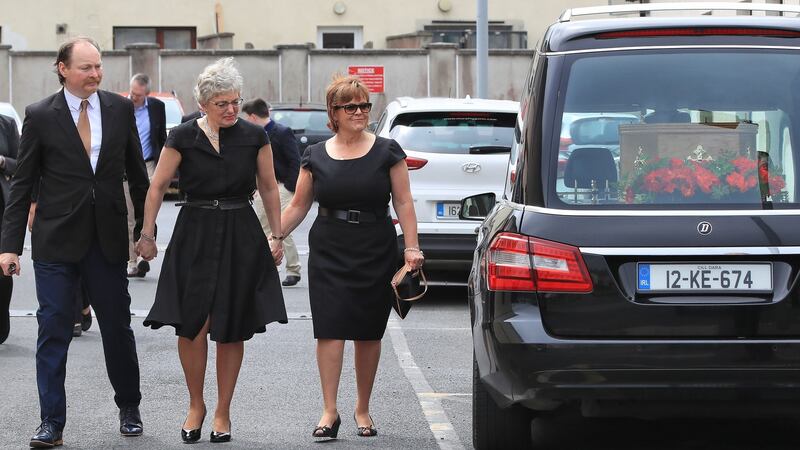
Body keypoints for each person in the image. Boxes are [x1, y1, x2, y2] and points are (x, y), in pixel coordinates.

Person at [0, 36, 148, 447]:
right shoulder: (40, 115)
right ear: (63, 68)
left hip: (107, 239)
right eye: (86, 68)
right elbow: (23, 182)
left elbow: (138, 176)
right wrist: (8, 245)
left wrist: (145, 234)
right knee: (53, 328)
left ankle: (129, 406)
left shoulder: (118, 109)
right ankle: (51, 422)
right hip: (55, 240)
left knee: (117, 327)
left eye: (98, 67)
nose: (96, 74)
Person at [138, 57, 288, 444]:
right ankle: (196, 404)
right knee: (193, 324)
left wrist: (277, 236)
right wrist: (147, 233)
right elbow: (157, 187)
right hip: (196, 231)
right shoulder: (182, 136)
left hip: (241, 230)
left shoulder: (255, 136)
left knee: (231, 324)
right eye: (222, 103)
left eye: (235, 101)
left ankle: (222, 411)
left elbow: (270, 188)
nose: (232, 109)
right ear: (203, 104)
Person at [281, 74, 424, 439]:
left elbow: (404, 201)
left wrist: (411, 247)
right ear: (335, 113)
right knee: (329, 329)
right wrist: (273, 235)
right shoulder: (314, 154)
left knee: (367, 331)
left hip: (375, 245)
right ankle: (329, 410)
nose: (359, 112)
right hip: (330, 247)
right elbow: (299, 204)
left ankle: (363, 409)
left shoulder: (388, 150)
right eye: (351, 107)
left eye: (364, 105)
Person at [241, 98, 303, 286]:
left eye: (246, 117)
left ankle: (293, 268)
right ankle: (268, 265)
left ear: (252, 116)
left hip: (282, 186)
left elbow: (295, 161)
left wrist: (290, 187)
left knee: (282, 226)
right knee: (262, 226)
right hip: (262, 188)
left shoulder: (282, 132)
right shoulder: (253, 135)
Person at [125, 73, 166, 278]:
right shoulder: (121, 108)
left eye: (138, 95)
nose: (134, 98)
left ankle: (145, 251)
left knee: (149, 210)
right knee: (130, 215)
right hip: (127, 167)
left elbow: (161, 138)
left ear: (147, 94)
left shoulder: (157, 108)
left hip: (150, 165)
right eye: (132, 93)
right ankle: (132, 261)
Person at [0, 113, 17, 345]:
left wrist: (3, 161)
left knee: (3, 268)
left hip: (1, 206)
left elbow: (22, 163)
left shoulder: (6, 124)